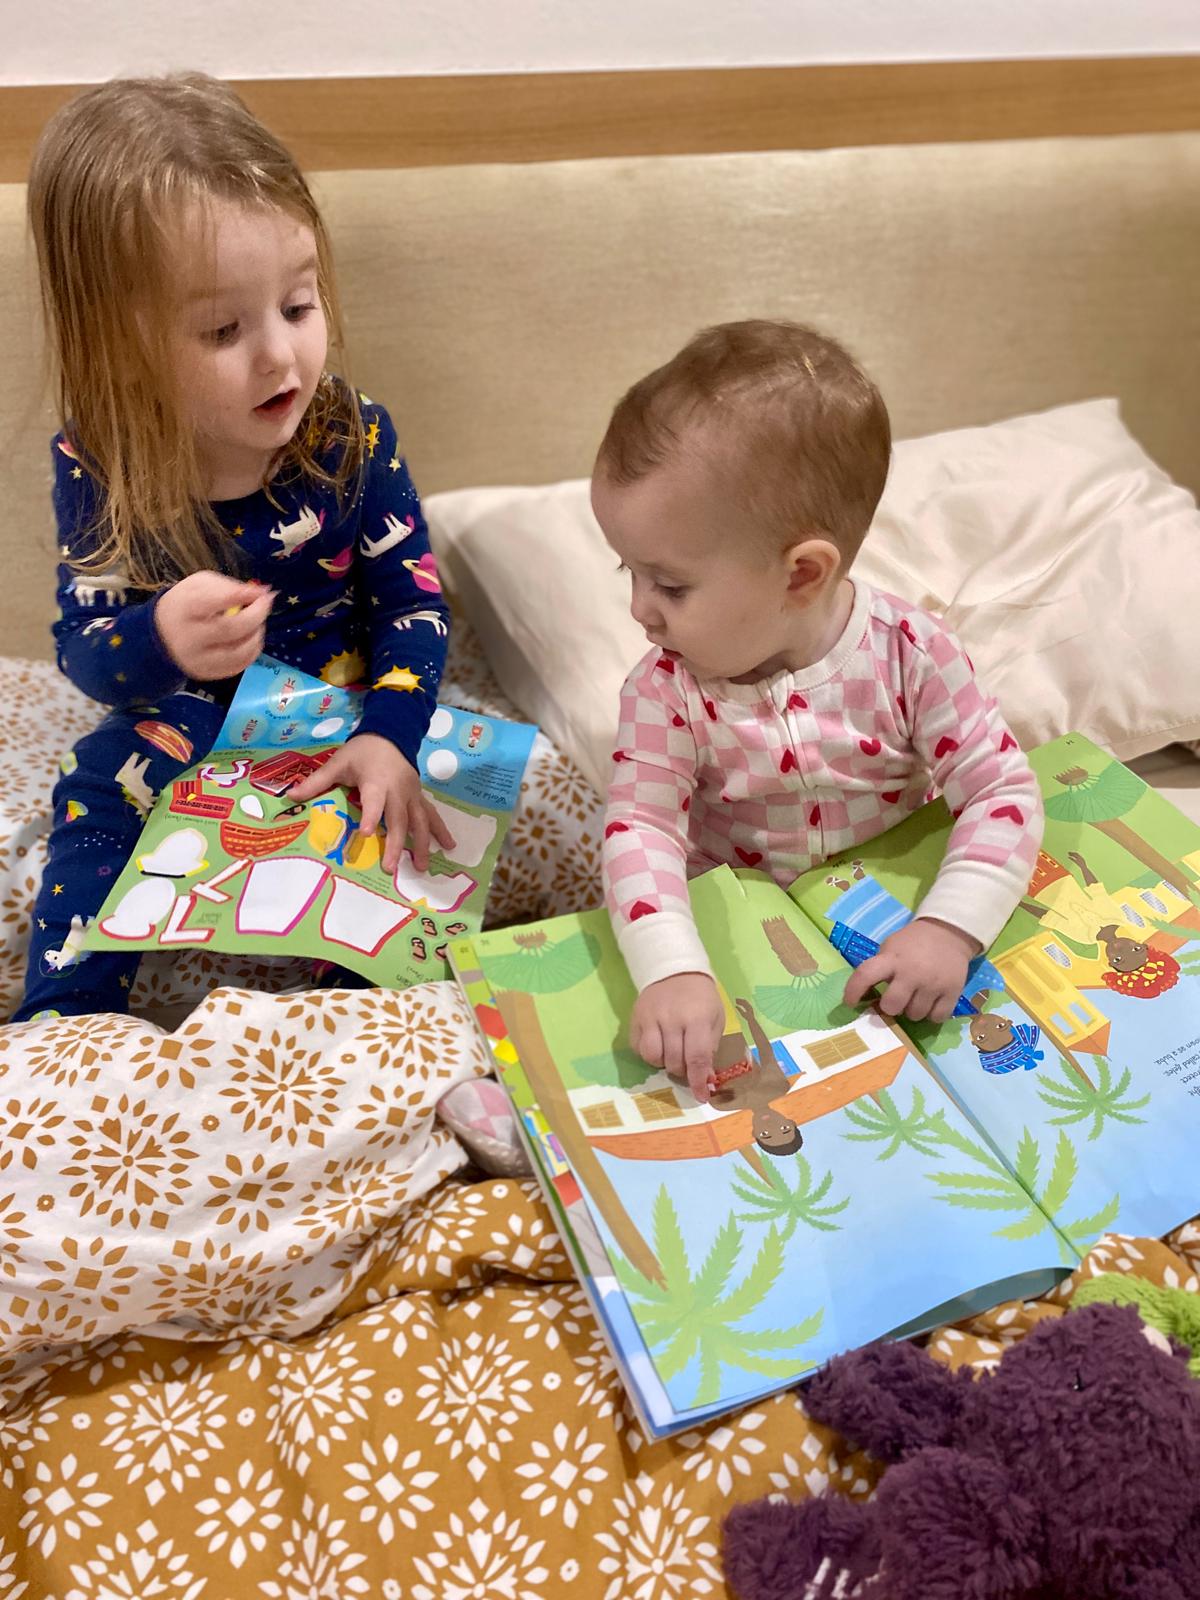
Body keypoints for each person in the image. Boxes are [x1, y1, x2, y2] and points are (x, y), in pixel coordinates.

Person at [13, 73, 451, 1023]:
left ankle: (365, 1028)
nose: (281, 358)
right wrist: (159, 634)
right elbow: (84, 645)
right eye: (222, 329)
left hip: (344, 717)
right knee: (93, 791)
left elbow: (414, 604)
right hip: (188, 720)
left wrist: (388, 733)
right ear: (118, 345)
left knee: (403, 828)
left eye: (299, 306)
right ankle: (64, 1031)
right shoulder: (100, 460)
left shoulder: (354, 434)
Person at [595, 319, 1044, 1100]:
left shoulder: (912, 653)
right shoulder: (663, 691)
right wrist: (671, 970)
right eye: (627, 572)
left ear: (802, 574)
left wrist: (948, 929)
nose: (641, 610)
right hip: (742, 941)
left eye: (669, 585)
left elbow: (1001, 792)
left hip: (898, 918)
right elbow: (640, 828)